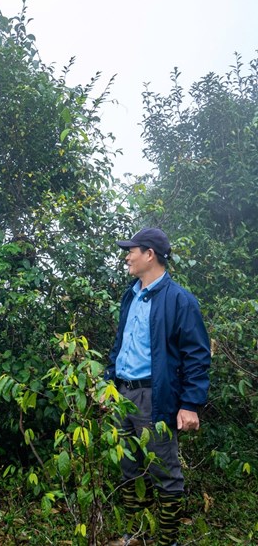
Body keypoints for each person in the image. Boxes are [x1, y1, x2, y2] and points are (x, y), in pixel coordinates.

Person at [105, 228, 211, 546]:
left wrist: (190, 403)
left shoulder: (179, 300)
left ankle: (167, 541)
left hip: (155, 397)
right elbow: (120, 344)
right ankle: (136, 536)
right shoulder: (130, 294)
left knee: (165, 473)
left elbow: (197, 355)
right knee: (129, 469)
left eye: (131, 250)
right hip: (121, 394)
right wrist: (108, 384)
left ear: (149, 254)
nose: (127, 256)